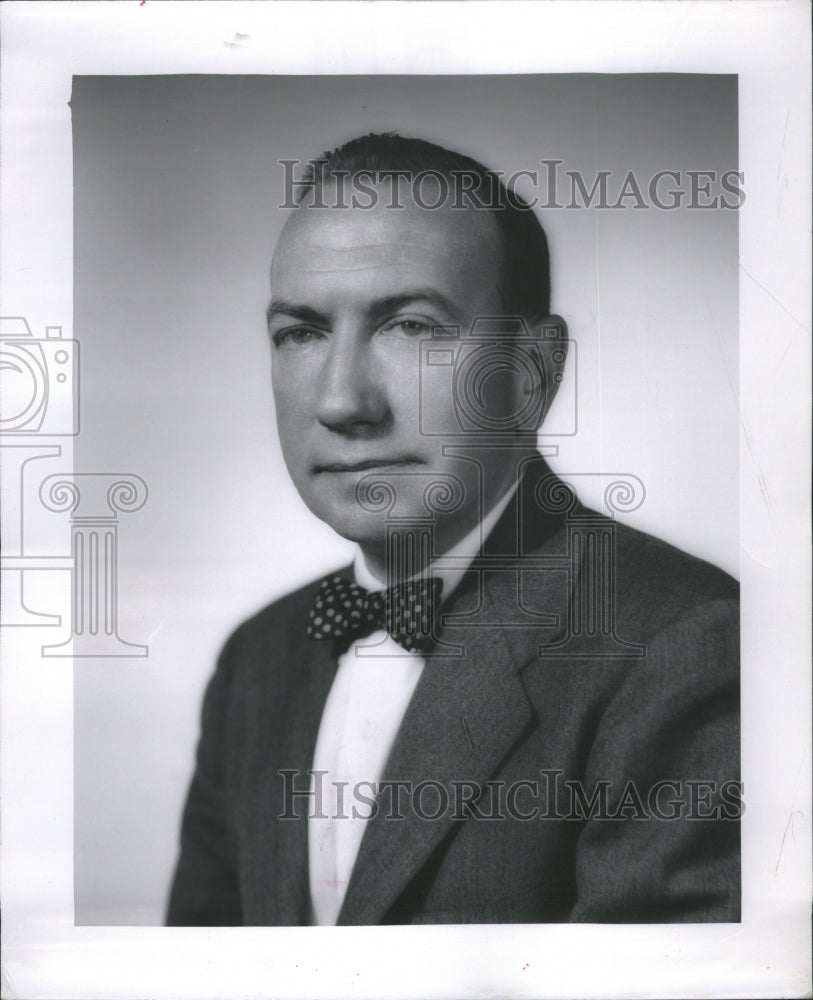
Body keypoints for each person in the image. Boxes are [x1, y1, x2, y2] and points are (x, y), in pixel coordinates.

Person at [167, 133, 740, 926]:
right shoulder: (258, 659)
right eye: (299, 332)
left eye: (410, 326)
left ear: (532, 372)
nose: (341, 402)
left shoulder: (686, 645)